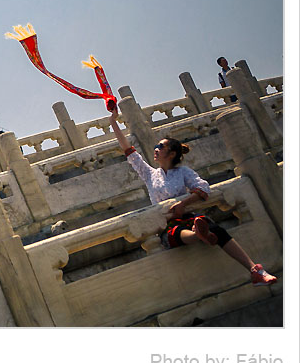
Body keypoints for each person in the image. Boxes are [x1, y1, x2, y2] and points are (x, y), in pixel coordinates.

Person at [109, 105, 277, 286]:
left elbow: (203, 187)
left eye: (160, 146)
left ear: (171, 153)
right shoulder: (149, 174)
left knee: (217, 230)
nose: (156, 149)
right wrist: (113, 122)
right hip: (166, 224)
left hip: (189, 216)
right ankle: (200, 235)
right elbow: (129, 151)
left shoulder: (183, 172)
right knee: (177, 232)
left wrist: (184, 204)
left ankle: (255, 270)